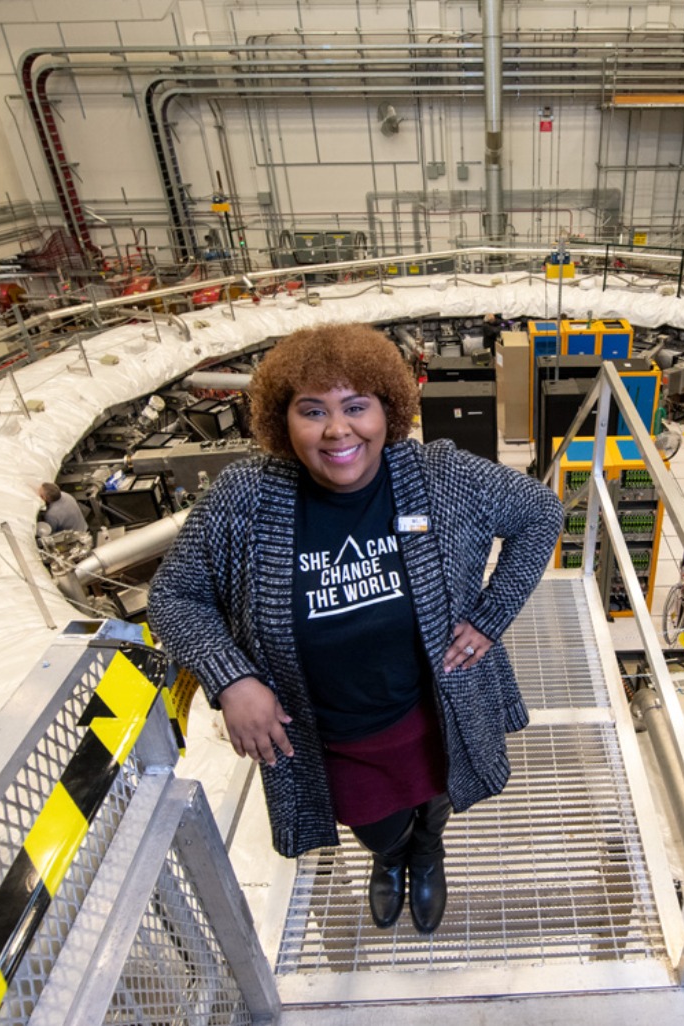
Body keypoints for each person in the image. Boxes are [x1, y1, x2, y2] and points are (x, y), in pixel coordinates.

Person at [149, 323, 562, 934]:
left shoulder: (438, 476)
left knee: (439, 794)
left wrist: (489, 615)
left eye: (356, 407)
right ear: (281, 422)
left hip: (433, 710)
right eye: (312, 411)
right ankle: (392, 854)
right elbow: (174, 597)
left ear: (386, 412)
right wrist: (231, 678)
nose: (337, 430)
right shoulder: (245, 497)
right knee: (372, 820)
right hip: (331, 733)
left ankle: (427, 851)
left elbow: (541, 512)